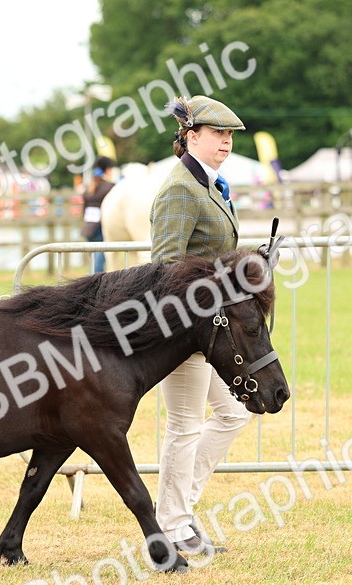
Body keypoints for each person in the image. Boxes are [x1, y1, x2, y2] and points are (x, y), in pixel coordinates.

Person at [148, 95, 257, 556]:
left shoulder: (210, 185)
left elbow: (210, 254)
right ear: (191, 136)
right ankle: (173, 525)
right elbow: (167, 267)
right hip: (186, 328)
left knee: (235, 411)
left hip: (213, 327)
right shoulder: (180, 189)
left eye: (230, 136)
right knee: (186, 424)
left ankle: (177, 511)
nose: (226, 143)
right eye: (218, 134)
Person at [80, 156, 116, 273]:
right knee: (99, 262)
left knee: (93, 259)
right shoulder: (110, 186)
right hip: (100, 226)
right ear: (108, 170)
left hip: (88, 226)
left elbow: (84, 209)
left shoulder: (89, 187)